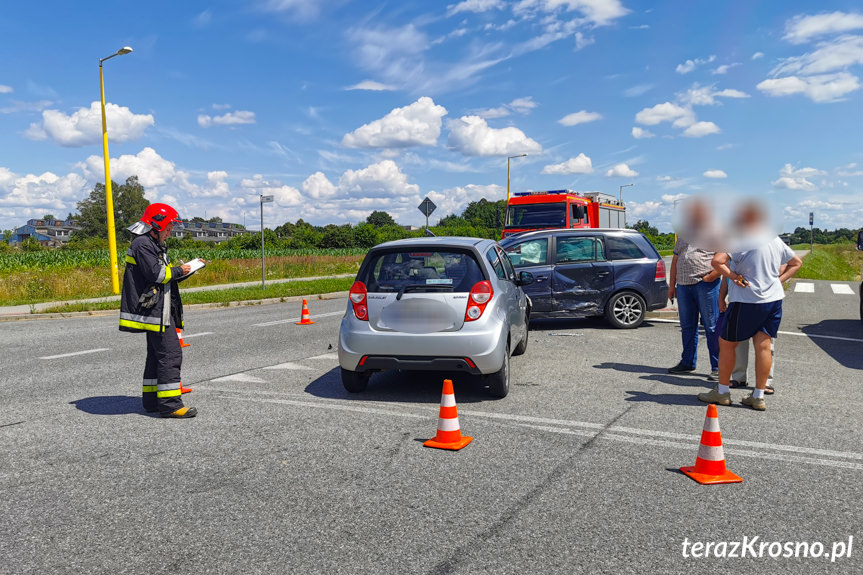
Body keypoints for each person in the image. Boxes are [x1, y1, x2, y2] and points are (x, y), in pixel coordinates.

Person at [698, 202, 802, 411]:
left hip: (747, 300)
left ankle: (722, 391)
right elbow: (796, 263)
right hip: (772, 300)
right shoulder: (773, 238)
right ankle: (758, 395)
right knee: (763, 345)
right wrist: (778, 281)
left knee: (727, 343)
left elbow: (717, 261)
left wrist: (733, 276)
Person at [120, 203, 198, 418]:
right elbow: (157, 275)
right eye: (169, 227)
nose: (170, 231)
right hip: (154, 310)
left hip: (158, 309)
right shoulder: (143, 244)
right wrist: (179, 269)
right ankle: (171, 405)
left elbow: (165, 276)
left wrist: (186, 271)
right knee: (171, 354)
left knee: (156, 356)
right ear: (157, 224)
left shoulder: (151, 244)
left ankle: (152, 401)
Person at [667, 199, 721, 380]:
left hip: (705, 284)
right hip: (683, 286)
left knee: (711, 326)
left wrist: (711, 276)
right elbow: (676, 259)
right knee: (687, 326)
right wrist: (671, 285)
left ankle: (718, 367)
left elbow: (725, 257)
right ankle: (688, 362)